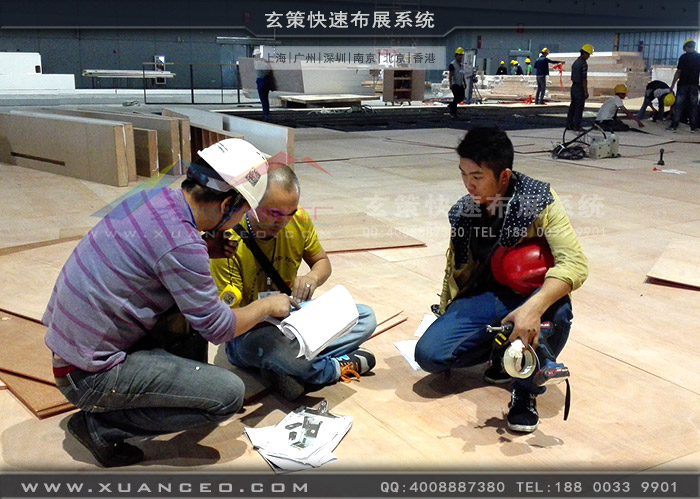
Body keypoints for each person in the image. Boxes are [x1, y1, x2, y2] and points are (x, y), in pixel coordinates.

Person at [43, 138, 294, 468]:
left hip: (70, 351)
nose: (242, 219)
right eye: (244, 211)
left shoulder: (153, 198)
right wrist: (269, 306)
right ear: (226, 204)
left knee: (189, 311)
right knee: (227, 395)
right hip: (88, 377)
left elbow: (153, 252)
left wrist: (203, 249)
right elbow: (219, 328)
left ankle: (166, 388)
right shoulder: (183, 245)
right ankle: (101, 428)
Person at [415, 127, 588, 433]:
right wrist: (445, 311)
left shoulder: (539, 200)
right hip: (487, 296)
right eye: (463, 174)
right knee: (430, 355)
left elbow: (574, 263)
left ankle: (525, 390)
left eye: (477, 176)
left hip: (531, 296)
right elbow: (454, 271)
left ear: (504, 176)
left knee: (558, 313)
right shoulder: (464, 212)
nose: (468, 184)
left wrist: (533, 308)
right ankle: (502, 352)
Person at [210, 165, 377, 401]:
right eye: (274, 213)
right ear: (252, 203)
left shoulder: (298, 221)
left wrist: (312, 278)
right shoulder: (227, 242)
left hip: (294, 318)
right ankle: (330, 369)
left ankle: (285, 367)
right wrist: (267, 308)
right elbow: (228, 324)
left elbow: (322, 262)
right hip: (251, 333)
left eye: (290, 213)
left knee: (364, 317)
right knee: (277, 349)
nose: (283, 222)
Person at [667, 39, 700, 132]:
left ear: (685, 47)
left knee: (679, 106)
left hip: (683, 85)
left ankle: (674, 126)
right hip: (694, 85)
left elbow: (679, 72)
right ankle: (694, 127)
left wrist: (672, 85)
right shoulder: (699, 57)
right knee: (693, 106)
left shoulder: (683, 57)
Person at [567, 44, 594, 131]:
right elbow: (584, 79)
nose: (589, 56)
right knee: (579, 108)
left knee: (573, 106)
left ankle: (569, 125)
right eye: (588, 54)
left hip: (573, 87)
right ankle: (577, 126)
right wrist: (585, 91)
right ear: (584, 53)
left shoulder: (576, 62)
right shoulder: (583, 64)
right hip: (579, 88)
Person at [253, 48, 273, 121]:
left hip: (261, 81)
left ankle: (266, 114)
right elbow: (268, 70)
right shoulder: (263, 62)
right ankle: (266, 114)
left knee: (263, 99)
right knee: (265, 99)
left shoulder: (256, 63)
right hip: (265, 81)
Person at [448, 47, 467, 117]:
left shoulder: (462, 65)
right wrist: (450, 83)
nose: (460, 57)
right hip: (455, 84)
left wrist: (464, 82)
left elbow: (462, 74)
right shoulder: (452, 64)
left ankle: (451, 106)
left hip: (460, 83)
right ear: (456, 55)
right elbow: (450, 75)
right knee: (456, 97)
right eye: (459, 55)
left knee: (462, 97)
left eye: (461, 55)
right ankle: (453, 113)